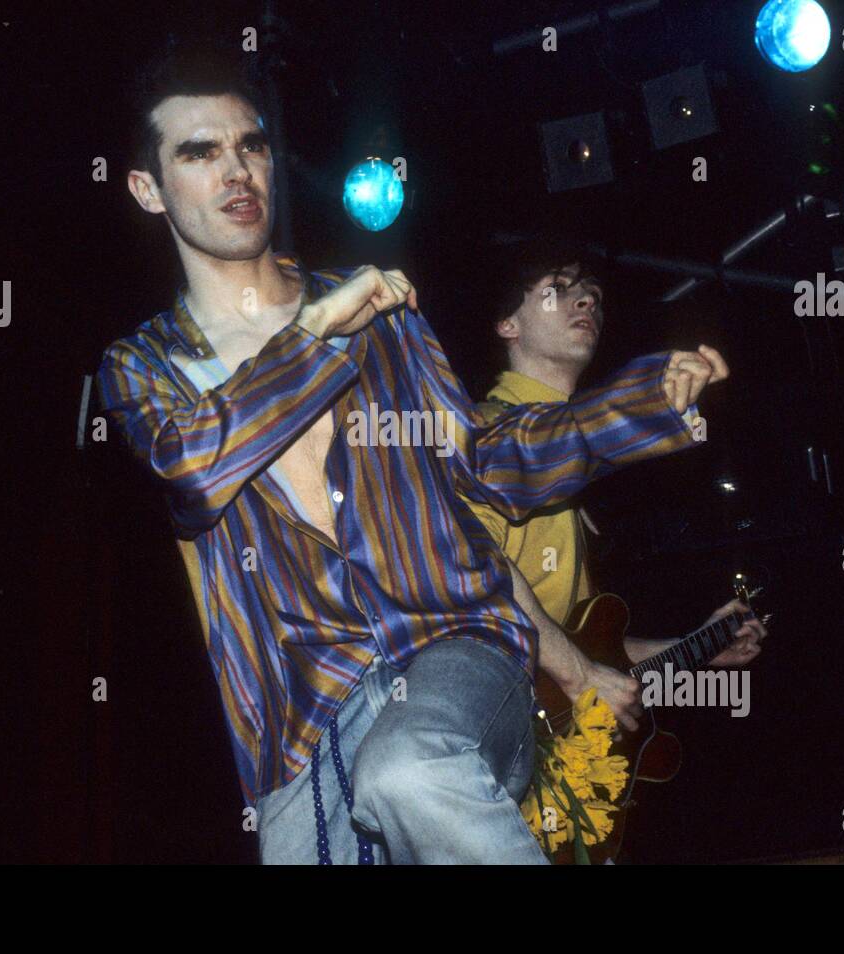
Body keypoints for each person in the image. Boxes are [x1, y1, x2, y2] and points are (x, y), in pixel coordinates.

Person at [96, 43, 726, 863]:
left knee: (407, 770)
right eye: (200, 152)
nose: (237, 171)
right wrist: (317, 336)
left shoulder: (377, 309)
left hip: (448, 645)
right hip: (299, 717)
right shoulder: (143, 365)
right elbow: (194, 467)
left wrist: (630, 407)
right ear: (148, 187)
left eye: (250, 145)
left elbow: (483, 461)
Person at [462, 242, 768, 740]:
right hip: (483, 722)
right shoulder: (479, 433)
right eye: (557, 290)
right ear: (508, 324)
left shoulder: (574, 484)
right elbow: (478, 570)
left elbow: (588, 651)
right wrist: (651, 398)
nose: (586, 301)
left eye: (593, 294)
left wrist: (695, 646)